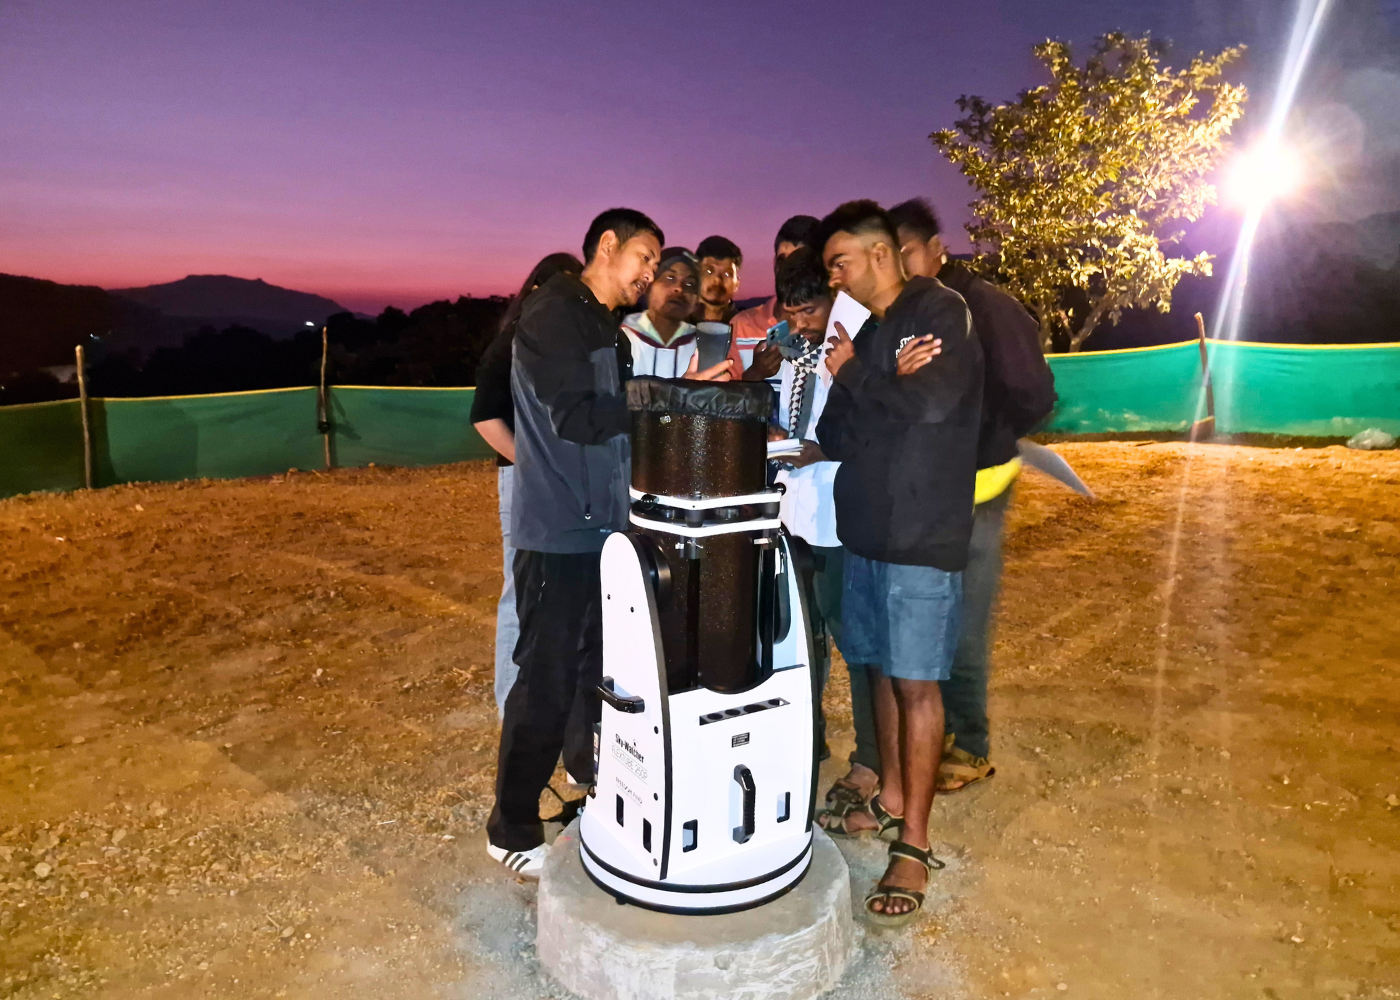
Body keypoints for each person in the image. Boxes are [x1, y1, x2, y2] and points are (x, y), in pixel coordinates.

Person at [487, 208, 731, 877]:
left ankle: (586, 782)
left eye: (656, 266)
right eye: (644, 259)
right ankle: (509, 824)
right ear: (606, 245)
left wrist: (676, 399)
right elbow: (580, 417)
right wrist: (665, 394)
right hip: (559, 530)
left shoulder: (609, 330)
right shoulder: (553, 314)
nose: (650, 275)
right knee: (544, 677)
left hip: (607, 528)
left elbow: (625, 420)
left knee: (596, 667)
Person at [814, 200, 983, 927]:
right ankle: (886, 798)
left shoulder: (938, 313)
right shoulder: (877, 334)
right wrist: (877, 382)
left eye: (839, 262)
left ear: (880, 256)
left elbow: (936, 407)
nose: (834, 276)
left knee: (917, 684)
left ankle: (913, 844)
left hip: (919, 533)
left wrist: (859, 377)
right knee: (878, 668)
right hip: (867, 532)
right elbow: (836, 432)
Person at [888, 197, 1056, 792]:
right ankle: (945, 731)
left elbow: (1034, 391)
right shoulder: (915, 310)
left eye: (906, 252)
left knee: (964, 620)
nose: (901, 267)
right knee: (933, 615)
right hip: (933, 493)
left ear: (937, 247)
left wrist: (986, 433)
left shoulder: (982, 304)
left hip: (979, 489)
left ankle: (972, 743)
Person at [471, 252, 584, 717]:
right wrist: (536, 466)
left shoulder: (568, 347)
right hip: (523, 483)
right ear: (535, 290)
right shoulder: (512, 342)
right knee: (520, 591)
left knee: (558, 593)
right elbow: (483, 418)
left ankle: (553, 704)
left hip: (564, 486)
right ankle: (511, 705)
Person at [620, 246, 742, 379]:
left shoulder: (703, 344)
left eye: (690, 284)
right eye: (670, 278)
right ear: (649, 285)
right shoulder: (619, 335)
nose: (679, 288)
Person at [733, 215, 821, 382]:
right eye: (783, 261)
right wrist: (754, 374)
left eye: (798, 261)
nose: (788, 271)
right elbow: (723, 399)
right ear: (774, 263)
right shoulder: (741, 325)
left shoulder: (833, 328)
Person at [690, 234, 744, 327]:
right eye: (709, 271)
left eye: (727, 274)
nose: (717, 279)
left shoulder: (747, 330)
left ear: (737, 284)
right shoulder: (671, 325)